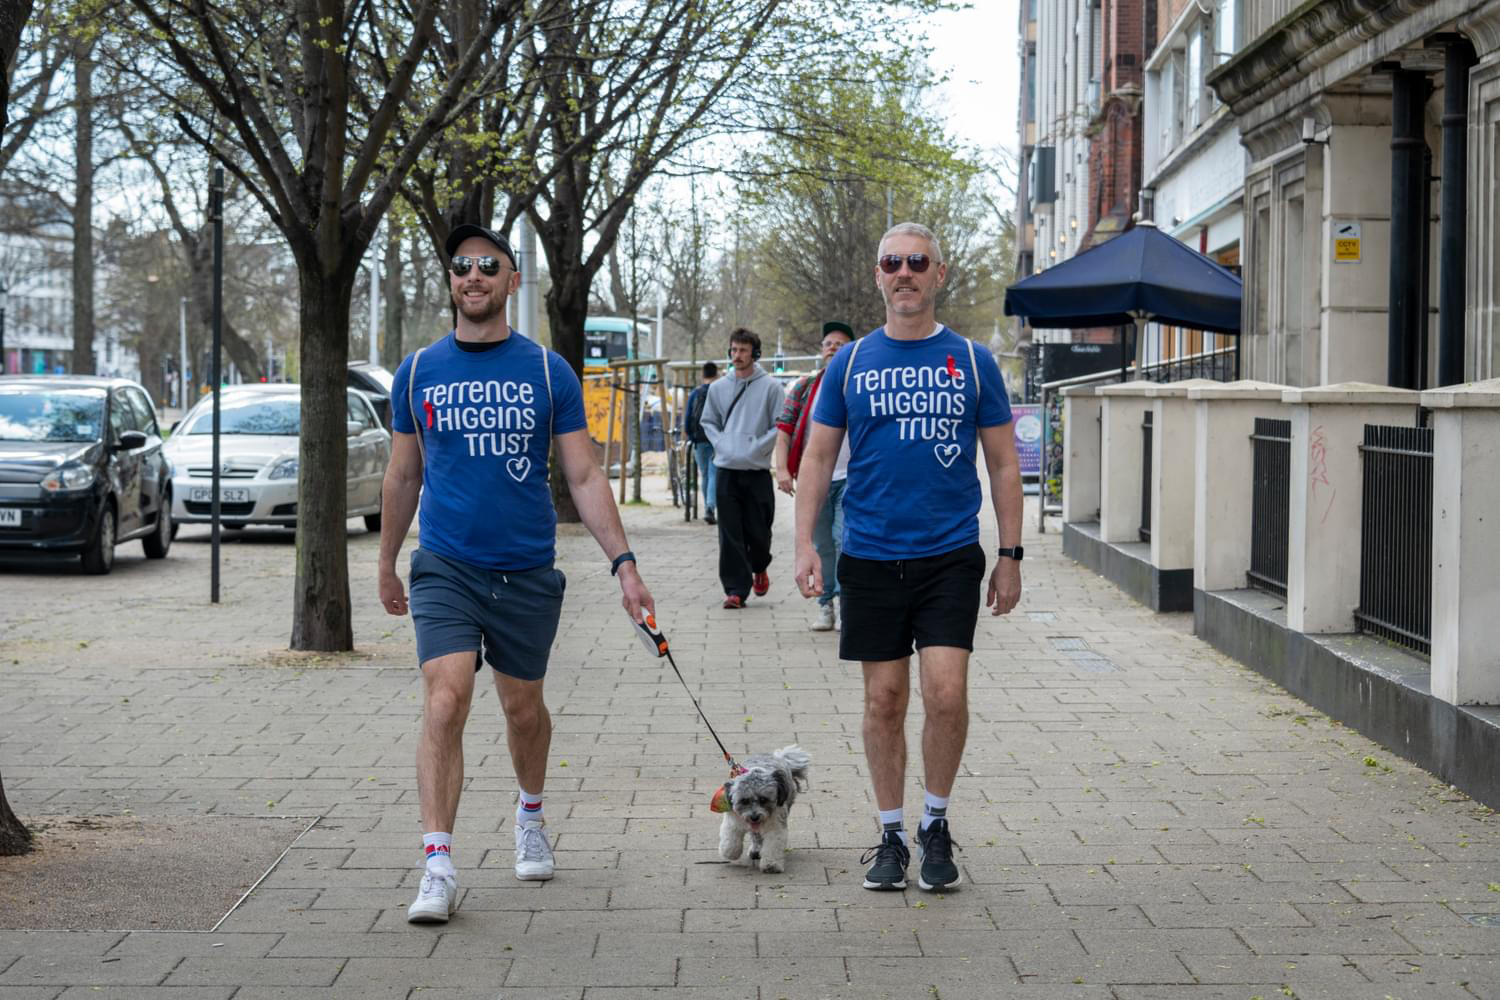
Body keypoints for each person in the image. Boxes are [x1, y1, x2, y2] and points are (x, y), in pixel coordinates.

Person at [378, 223, 654, 924]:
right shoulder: (416, 372)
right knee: (446, 699)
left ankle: (529, 815)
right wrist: (385, 563)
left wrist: (624, 565)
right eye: (462, 266)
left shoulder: (544, 371)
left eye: (488, 266)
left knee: (522, 708)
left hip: (526, 570)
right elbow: (404, 473)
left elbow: (584, 473)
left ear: (509, 281)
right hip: (445, 566)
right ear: (452, 281)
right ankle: (437, 863)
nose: (473, 276)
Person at [793, 222, 1023, 893]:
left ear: (939, 273)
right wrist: (805, 541)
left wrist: (1009, 554)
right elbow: (817, 456)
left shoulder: (975, 362)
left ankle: (936, 822)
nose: (904, 273)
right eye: (892, 262)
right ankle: (891, 832)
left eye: (917, 262)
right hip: (868, 554)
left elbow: (1005, 464)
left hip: (950, 553)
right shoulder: (852, 363)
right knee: (885, 699)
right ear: (877, 274)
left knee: (946, 693)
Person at [773, 321, 855, 631]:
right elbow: (784, 430)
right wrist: (782, 469)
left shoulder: (860, 385)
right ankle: (825, 605)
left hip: (852, 478)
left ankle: (849, 606)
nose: (833, 347)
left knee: (844, 541)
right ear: (821, 351)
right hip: (816, 480)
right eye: (828, 344)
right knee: (821, 546)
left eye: (841, 344)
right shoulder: (806, 387)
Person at [700, 327, 785, 609]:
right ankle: (735, 590)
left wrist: (759, 446)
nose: (737, 356)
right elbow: (708, 422)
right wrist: (722, 444)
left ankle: (760, 566)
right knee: (729, 533)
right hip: (726, 469)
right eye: (734, 350)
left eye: (743, 351)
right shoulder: (718, 388)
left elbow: (781, 425)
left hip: (757, 471)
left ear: (755, 354)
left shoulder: (771, 388)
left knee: (759, 533)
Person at [682, 361, 719, 525]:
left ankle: (707, 506)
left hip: (699, 440)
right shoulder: (719, 392)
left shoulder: (695, 393)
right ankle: (710, 507)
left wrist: (691, 437)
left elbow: (688, 417)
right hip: (716, 439)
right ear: (716, 374)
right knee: (714, 473)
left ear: (702, 375)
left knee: (704, 474)